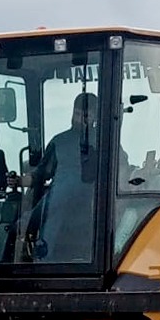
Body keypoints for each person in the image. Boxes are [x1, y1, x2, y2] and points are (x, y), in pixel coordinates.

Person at [27, 92, 103, 261]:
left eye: (86, 115)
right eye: (77, 114)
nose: (80, 119)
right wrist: (23, 180)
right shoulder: (60, 142)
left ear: (95, 116)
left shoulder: (104, 142)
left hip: (92, 213)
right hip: (60, 210)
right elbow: (41, 173)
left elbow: (122, 170)